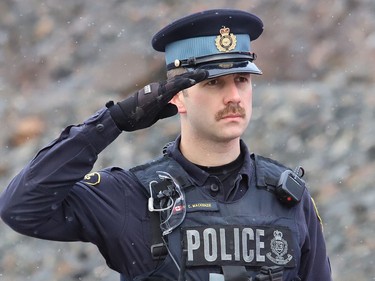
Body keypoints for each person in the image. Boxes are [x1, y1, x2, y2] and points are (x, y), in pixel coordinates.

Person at [0, 8, 332, 281]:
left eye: (242, 80)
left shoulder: (288, 196)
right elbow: (20, 207)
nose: (233, 97)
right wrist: (111, 122)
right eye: (214, 83)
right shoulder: (132, 197)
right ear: (177, 96)